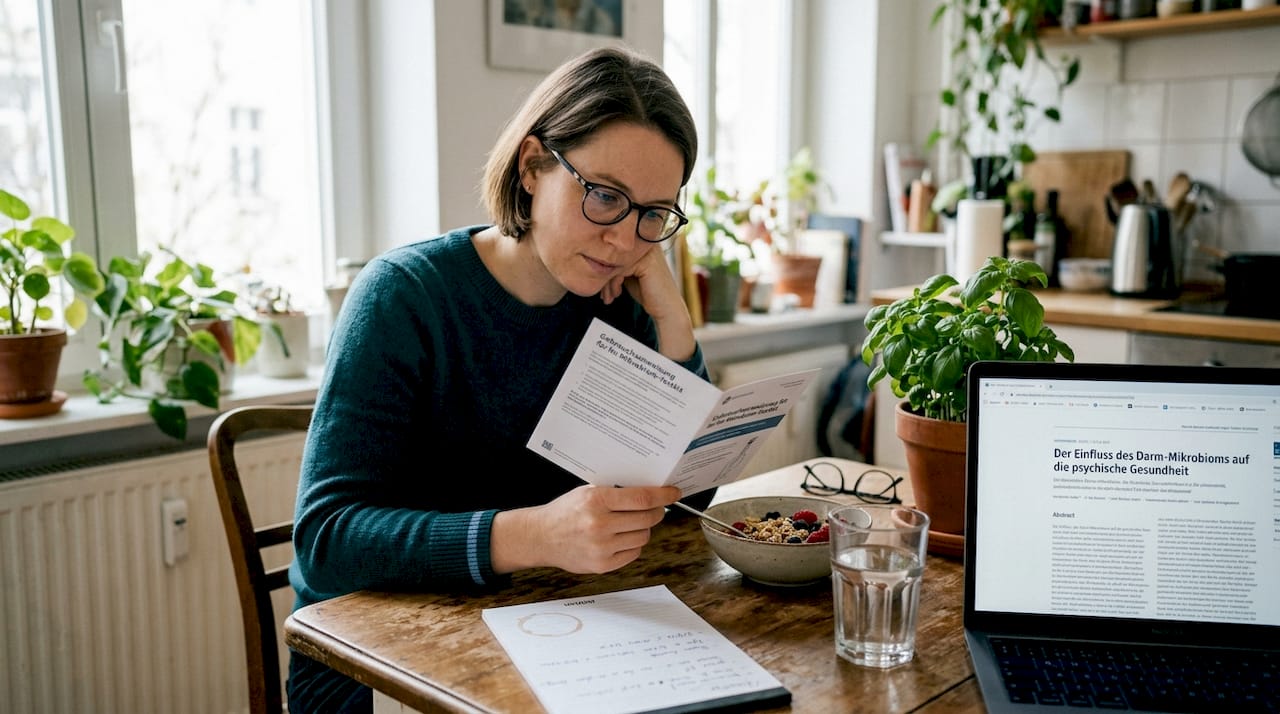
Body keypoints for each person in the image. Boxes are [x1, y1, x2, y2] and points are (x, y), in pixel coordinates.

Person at [286, 46, 711, 713]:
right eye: (604, 197)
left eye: (653, 214)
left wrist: (673, 321)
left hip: (556, 631)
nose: (625, 241)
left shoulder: (619, 299)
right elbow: (327, 541)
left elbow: (688, 502)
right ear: (533, 165)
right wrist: (537, 536)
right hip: (378, 657)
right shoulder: (403, 297)